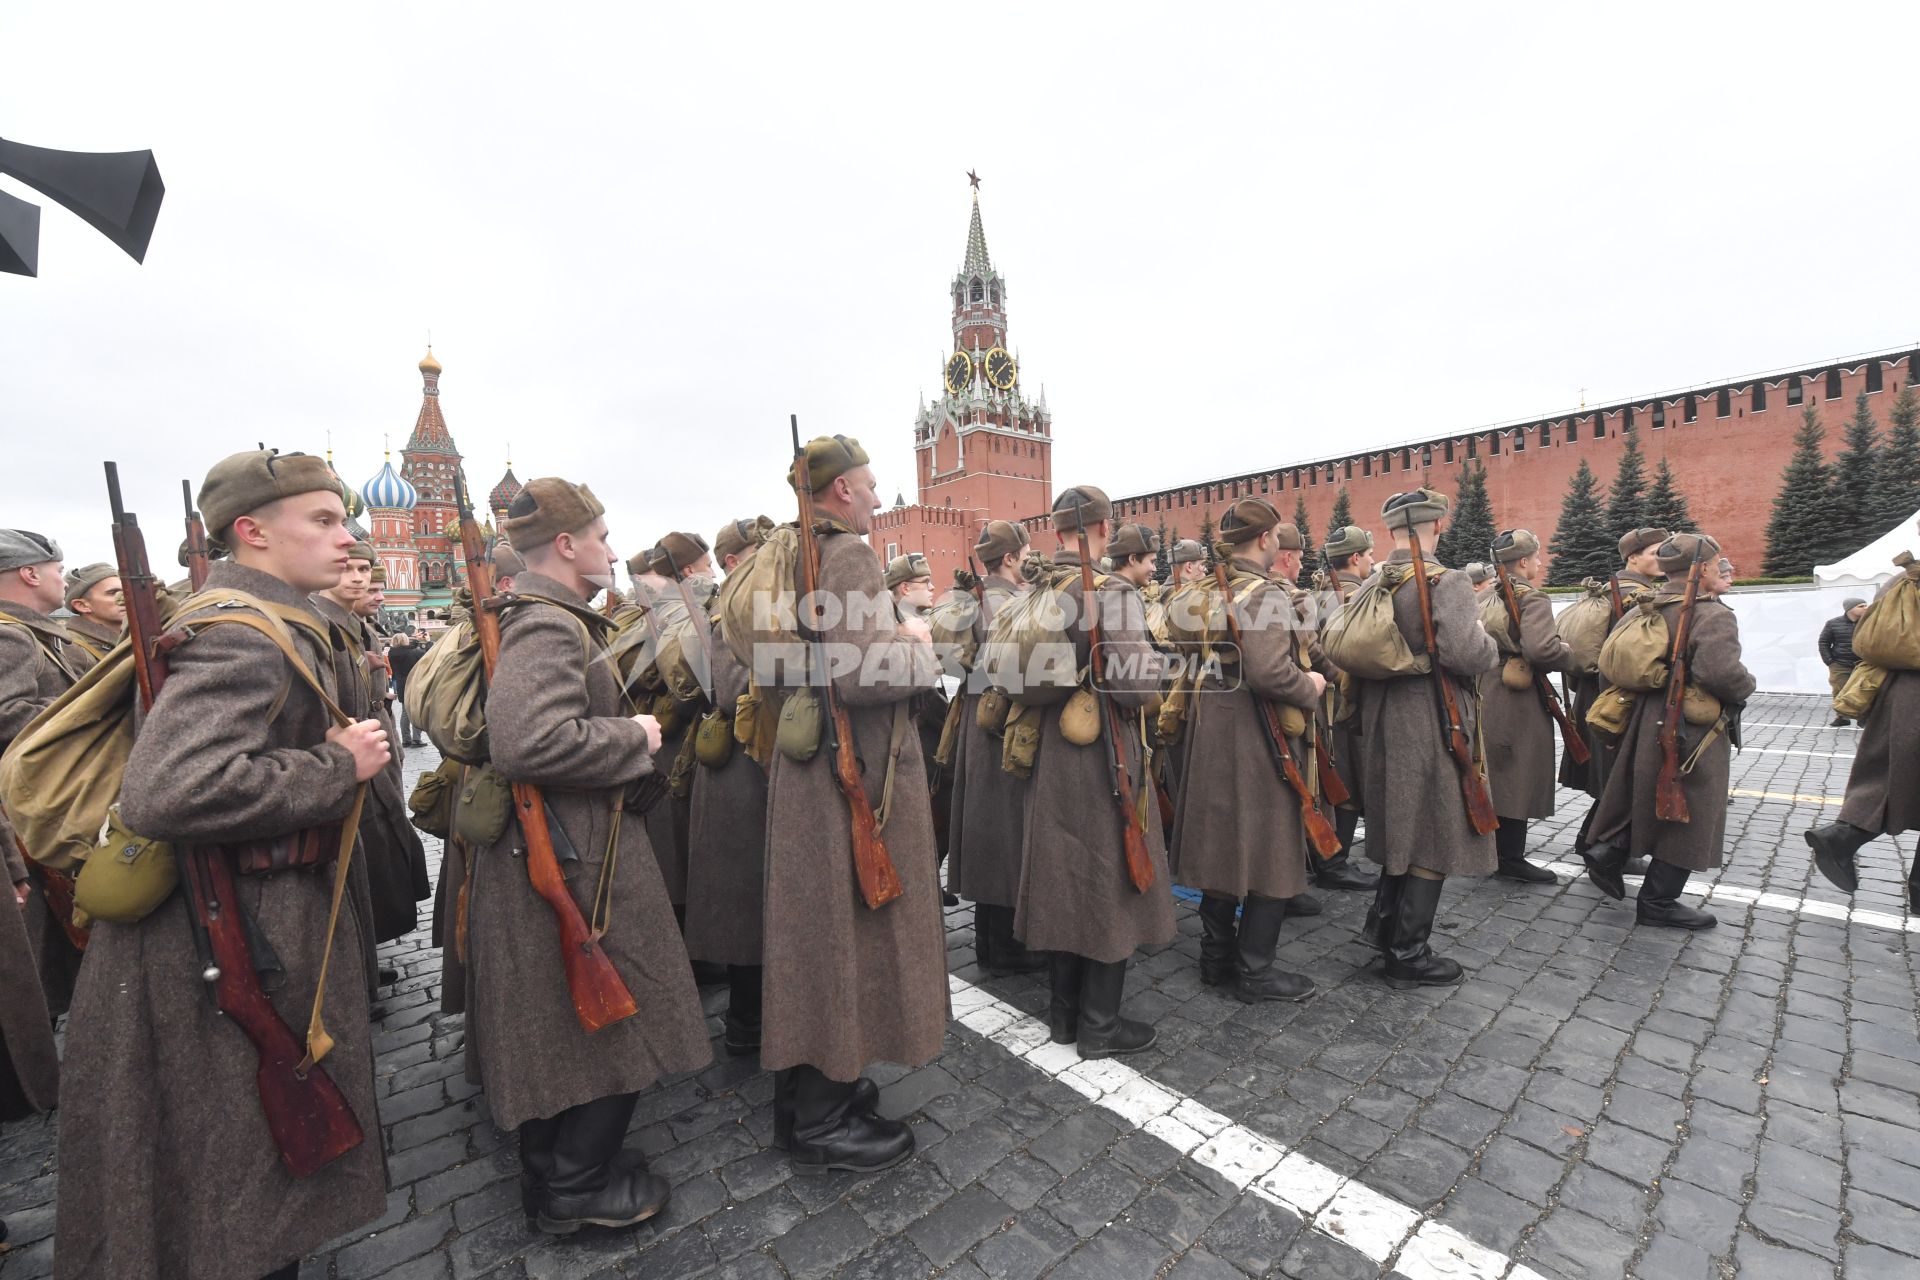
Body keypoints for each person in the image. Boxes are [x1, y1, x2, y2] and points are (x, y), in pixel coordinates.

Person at [55, 449, 391, 1280]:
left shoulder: (262, 617)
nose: (346, 538)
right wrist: (335, 767)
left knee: (242, 1155)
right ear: (253, 532)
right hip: (230, 929)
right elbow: (169, 791)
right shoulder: (244, 631)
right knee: (237, 1159)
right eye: (322, 519)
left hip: (248, 915)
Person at [471, 478, 711, 1232]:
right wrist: (633, 736)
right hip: (586, 854)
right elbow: (526, 742)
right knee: (625, 1013)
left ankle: (558, 1165)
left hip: (573, 845)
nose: (613, 550)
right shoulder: (549, 624)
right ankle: (575, 1187)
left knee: (569, 1020)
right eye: (602, 536)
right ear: (567, 545)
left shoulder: (549, 616)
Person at [756, 435, 948, 1173]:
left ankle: (817, 1090)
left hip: (815, 764)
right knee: (843, 940)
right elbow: (866, 671)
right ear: (841, 492)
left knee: (823, 938)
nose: (877, 496)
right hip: (852, 774)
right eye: (869, 486)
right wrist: (918, 643)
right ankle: (821, 1119)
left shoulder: (784, 551)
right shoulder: (845, 553)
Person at [1015, 488, 1174, 1057]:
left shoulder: (1034, 588)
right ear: (1104, 529)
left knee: (1064, 881)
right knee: (1110, 880)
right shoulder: (1113, 593)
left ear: (1056, 531)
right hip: (1105, 751)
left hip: (1049, 753)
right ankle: (1100, 1026)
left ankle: (1064, 1018)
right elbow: (1135, 685)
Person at [1168, 502, 1323, 1003]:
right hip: (1258, 735)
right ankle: (1255, 971)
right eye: (1277, 534)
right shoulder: (1264, 593)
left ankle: (1215, 959)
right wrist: (1313, 685)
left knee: (1222, 843)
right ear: (1265, 539)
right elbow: (1271, 673)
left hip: (1212, 727)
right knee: (1271, 846)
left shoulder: (1206, 589)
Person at [1351, 490, 1500, 986]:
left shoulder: (1373, 581)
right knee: (1435, 829)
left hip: (1384, 719)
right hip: (1434, 719)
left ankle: (1383, 928)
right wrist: (1490, 642)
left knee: (1402, 823)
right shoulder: (1446, 580)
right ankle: (1408, 954)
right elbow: (1466, 653)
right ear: (1437, 526)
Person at [1583, 536, 1755, 929]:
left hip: (1645, 717)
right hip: (1690, 726)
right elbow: (1720, 673)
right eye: (1716, 563)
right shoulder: (1711, 614)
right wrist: (1747, 684)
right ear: (1705, 568)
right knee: (1691, 808)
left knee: (1644, 791)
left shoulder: (1648, 605)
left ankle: (1609, 850)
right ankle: (1658, 901)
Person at [686, 517, 776, 1056]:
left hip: (754, 767)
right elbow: (728, 687)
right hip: (740, 771)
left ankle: (759, 1016)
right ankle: (748, 1024)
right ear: (737, 562)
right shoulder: (728, 610)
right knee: (746, 901)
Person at [943, 520, 1042, 975]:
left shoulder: (974, 599)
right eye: (1025, 552)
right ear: (1010, 558)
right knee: (1006, 837)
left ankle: (989, 944)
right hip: (1002, 729)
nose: (1030, 558)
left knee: (989, 835)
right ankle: (1006, 949)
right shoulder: (1009, 604)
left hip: (977, 725)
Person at [1806, 524, 1920, 911]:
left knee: (1888, 774)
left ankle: (1843, 837)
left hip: (1893, 691)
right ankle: (1842, 838)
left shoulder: (1899, 580)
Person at [0, 529, 85, 1017]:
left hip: (44, 808)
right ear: (31, 573)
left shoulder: (30, 631)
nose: (62, 579)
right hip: (28, 820)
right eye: (57, 568)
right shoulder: (9, 635)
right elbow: (8, 714)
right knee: (37, 956)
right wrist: (90, 711)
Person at [1479, 529, 1572, 885]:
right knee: (1516, 772)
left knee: (1494, 768)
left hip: (1485, 688)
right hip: (1517, 696)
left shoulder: (1486, 595)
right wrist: (1567, 652)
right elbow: (1541, 650)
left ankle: (1492, 848)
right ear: (1522, 561)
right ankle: (1510, 857)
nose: (1539, 562)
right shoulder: (1532, 599)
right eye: (1536, 557)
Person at [884, 553, 956, 897]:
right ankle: (922, 884)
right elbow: (921, 691)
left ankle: (929, 878)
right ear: (904, 587)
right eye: (924, 582)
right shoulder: (898, 627)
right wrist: (948, 720)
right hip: (917, 738)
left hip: (924, 736)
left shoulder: (912, 620)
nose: (932, 587)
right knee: (930, 814)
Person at [1317, 526, 1380, 891]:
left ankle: (1330, 857)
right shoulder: (1353, 594)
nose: (1372, 560)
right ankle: (1334, 863)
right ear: (1355, 557)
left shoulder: (1324, 590)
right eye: (1369, 554)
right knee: (1347, 782)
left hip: (1331, 698)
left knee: (1339, 778)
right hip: (1347, 698)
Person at [61, 561, 124, 675]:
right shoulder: (71, 648)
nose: (125, 598)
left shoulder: (131, 639)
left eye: (126, 591)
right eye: (113, 593)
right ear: (82, 605)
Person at [1818, 597, 1868, 727]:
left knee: (1862, 692)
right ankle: (1841, 717)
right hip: (1840, 664)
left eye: (1865, 605)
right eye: (1861, 606)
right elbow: (1823, 642)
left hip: (1863, 664)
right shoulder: (1833, 623)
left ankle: (1862, 718)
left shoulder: (1869, 623)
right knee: (1839, 691)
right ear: (1850, 609)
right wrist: (1829, 661)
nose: (1865, 608)